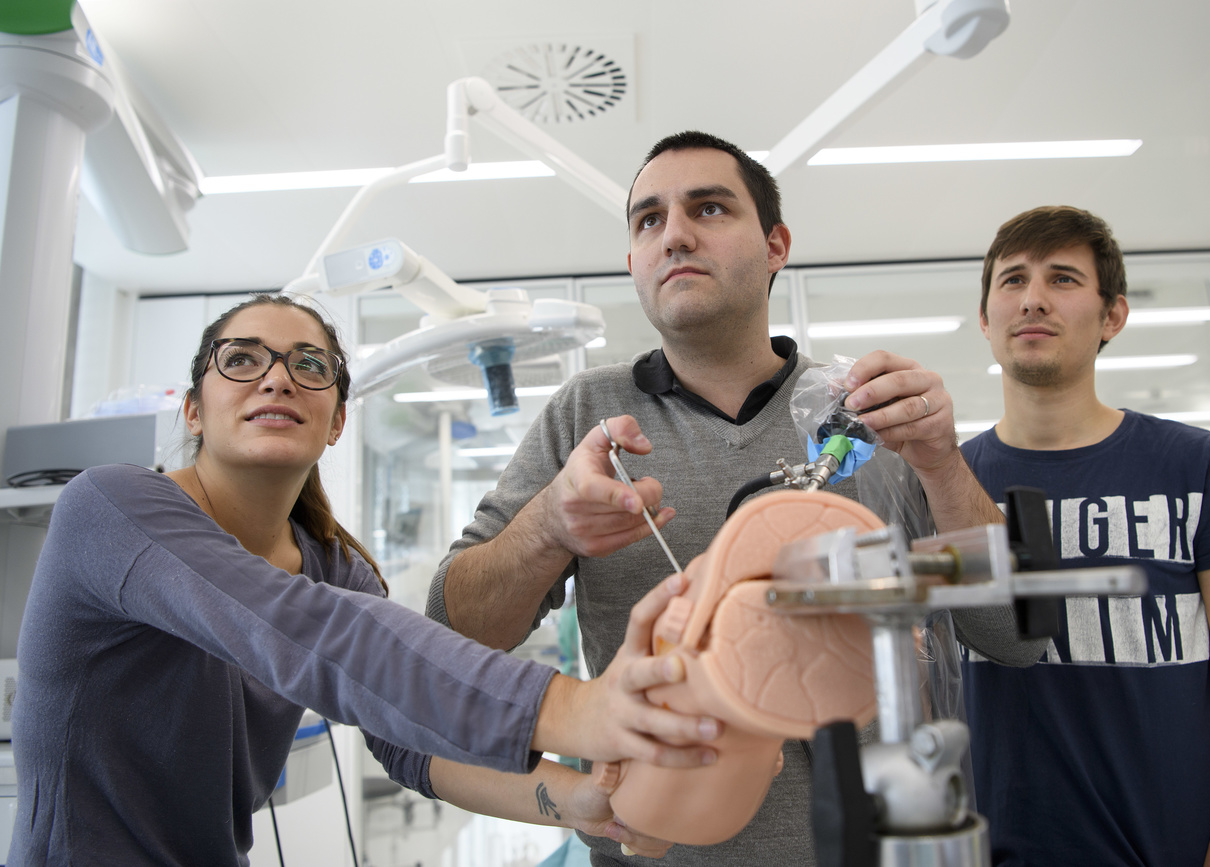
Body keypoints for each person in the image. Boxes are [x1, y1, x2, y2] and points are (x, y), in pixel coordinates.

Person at [428, 131, 1045, 866]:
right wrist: (546, 526)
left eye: (709, 208)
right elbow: (450, 633)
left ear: (776, 243)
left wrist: (943, 465)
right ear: (632, 262)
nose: (675, 234)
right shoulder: (585, 415)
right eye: (648, 220)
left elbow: (1015, 636)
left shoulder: (866, 418)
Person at [9, 294, 721, 865]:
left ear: (337, 422)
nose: (278, 376)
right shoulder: (110, 506)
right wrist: (579, 709)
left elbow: (408, 739)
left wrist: (576, 799)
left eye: (309, 365)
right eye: (242, 359)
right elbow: (299, 626)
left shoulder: (332, 564)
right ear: (193, 408)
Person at [962, 205, 1210, 866]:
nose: (1032, 299)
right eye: (1011, 281)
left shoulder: (1201, 468)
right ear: (985, 319)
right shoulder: (944, 486)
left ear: (1112, 314)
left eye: (1062, 279)